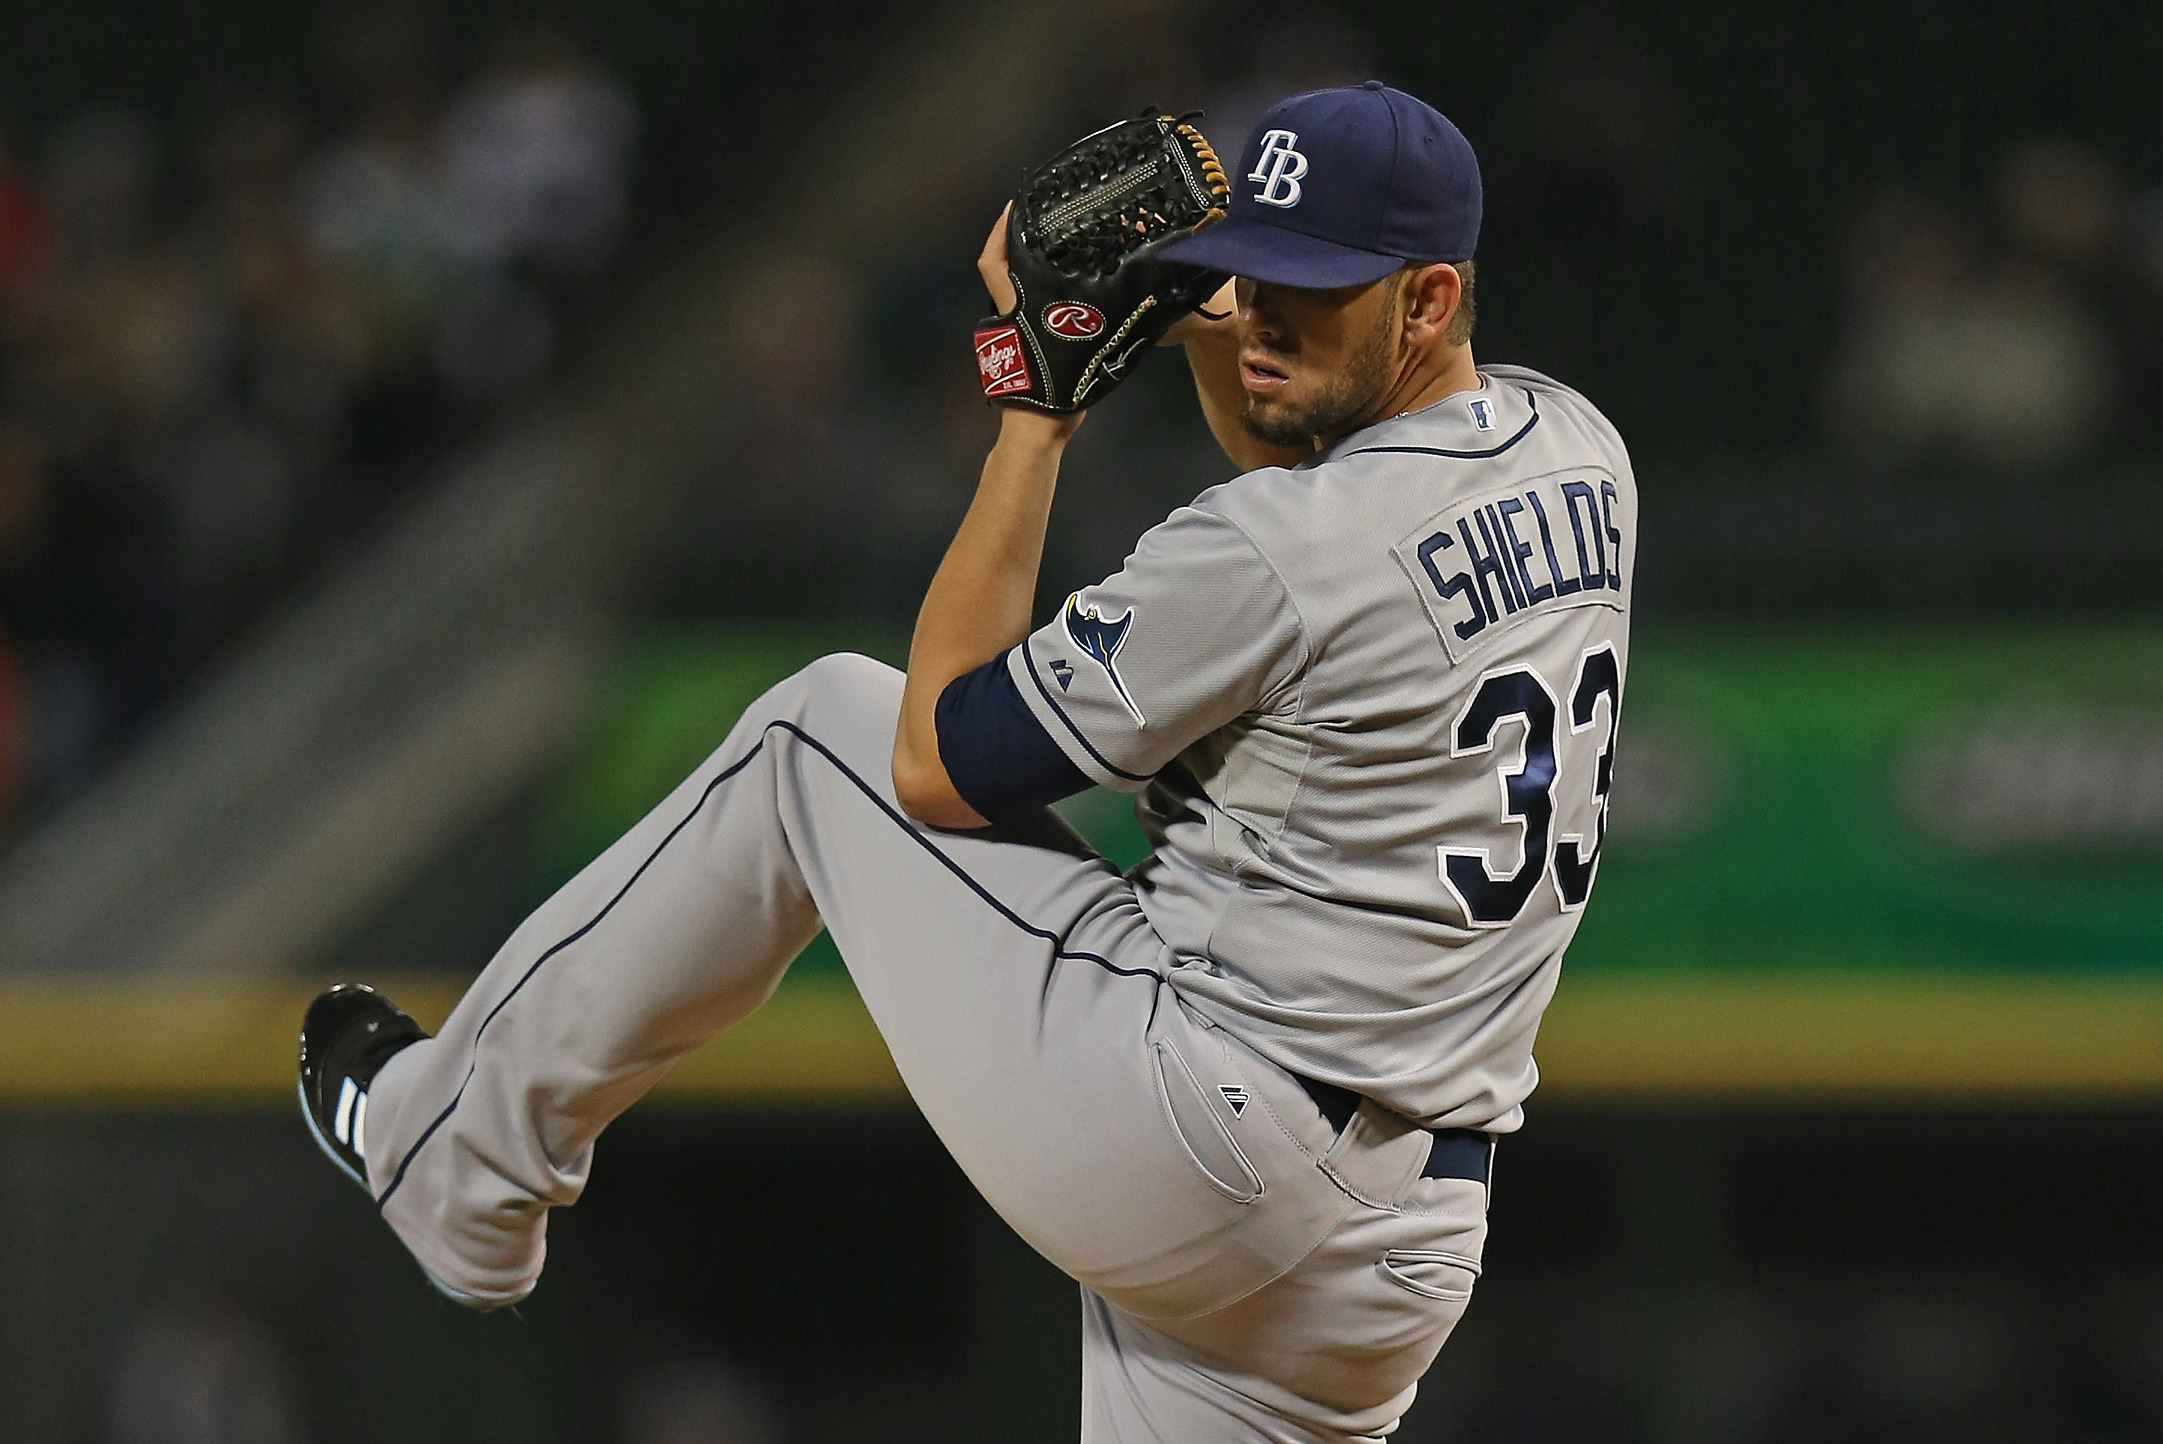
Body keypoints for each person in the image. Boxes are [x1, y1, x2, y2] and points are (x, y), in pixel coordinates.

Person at [299, 83, 1636, 1442]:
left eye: (1314, 292)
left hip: (1210, 1141)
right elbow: (1327, 464)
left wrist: (1032, 408)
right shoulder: (1586, 456)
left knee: (815, 735)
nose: (1264, 319)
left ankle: (451, 1155)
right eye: (1253, 276)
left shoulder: (1282, 552)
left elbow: (938, 762)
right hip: (1402, 1251)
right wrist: (1182, 319)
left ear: (1428, 299)